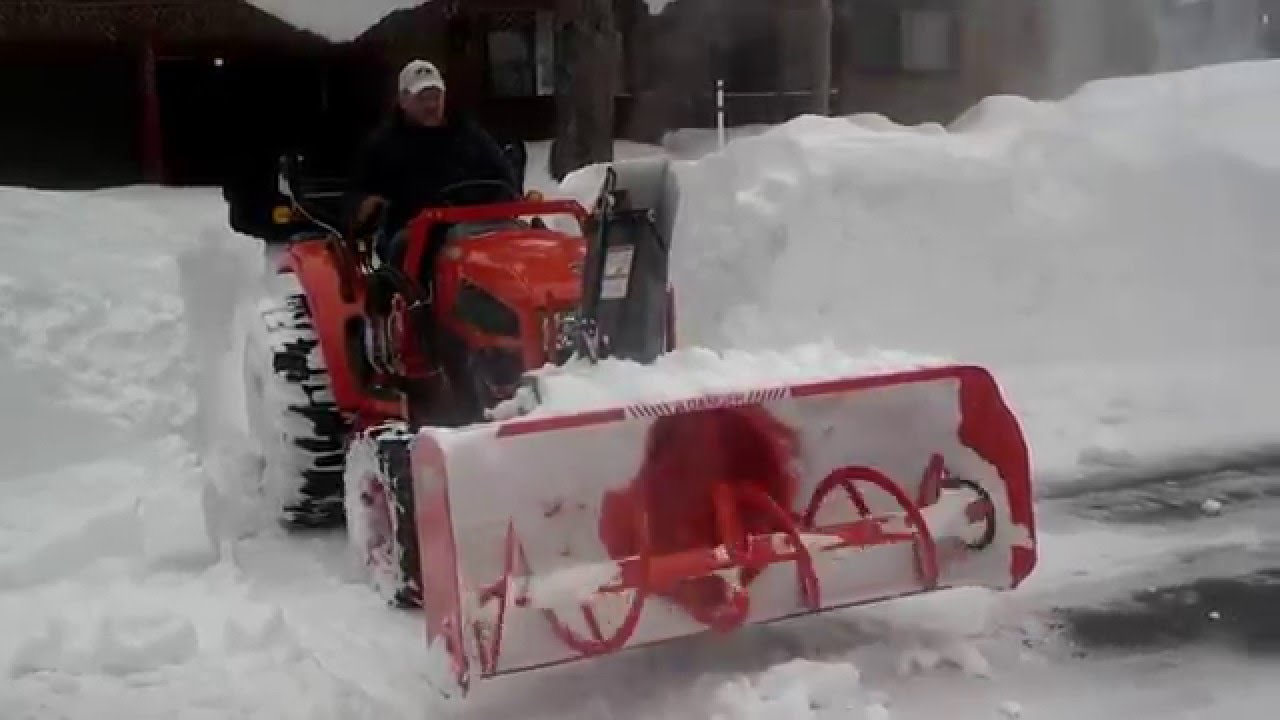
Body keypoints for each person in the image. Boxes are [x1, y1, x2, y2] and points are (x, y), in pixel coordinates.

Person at [347, 59, 521, 265]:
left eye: (436, 97)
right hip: (416, 233)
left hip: (474, 227)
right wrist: (363, 206)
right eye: (423, 98)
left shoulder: (470, 136)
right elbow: (358, 195)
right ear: (403, 100)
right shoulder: (383, 145)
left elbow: (504, 177)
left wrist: (501, 199)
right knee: (404, 245)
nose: (431, 105)